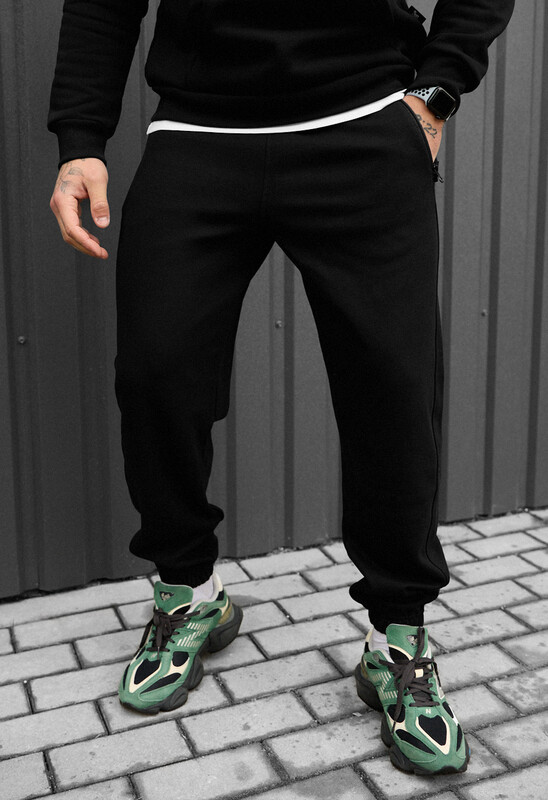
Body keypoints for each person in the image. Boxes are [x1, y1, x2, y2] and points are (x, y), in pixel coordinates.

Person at [47, 0, 515, 776]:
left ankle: (397, 637)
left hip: (359, 121)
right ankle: (189, 594)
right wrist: (80, 140)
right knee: (157, 375)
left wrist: (437, 90)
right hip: (197, 129)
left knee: (394, 391)